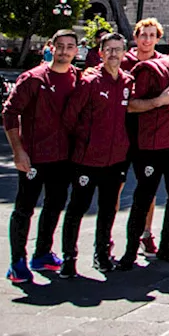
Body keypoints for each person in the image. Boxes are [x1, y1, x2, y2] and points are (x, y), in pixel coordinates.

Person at [118, 27, 169, 269]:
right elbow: (130, 105)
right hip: (152, 148)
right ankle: (130, 251)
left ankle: (167, 245)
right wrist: (157, 101)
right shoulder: (151, 70)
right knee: (143, 199)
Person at [3, 29, 79, 282]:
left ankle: (42, 253)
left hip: (63, 158)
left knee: (55, 206)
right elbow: (10, 113)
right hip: (34, 157)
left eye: (70, 46)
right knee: (24, 209)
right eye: (60, 46)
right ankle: (17, 262)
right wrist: (18, 151)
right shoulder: (33, 78)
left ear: (76, 51)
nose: (65, 51)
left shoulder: (78, 78)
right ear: (51, 47)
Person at [59, 32, 131, 277]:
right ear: (100, 53)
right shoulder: (89, 82)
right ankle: (69, 257)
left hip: (115, 160)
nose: (113, 54)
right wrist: (81, 144)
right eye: (109, 49)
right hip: (86, 160)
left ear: (124, 52)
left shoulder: (126, 82)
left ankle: (101, 254)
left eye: (118, 49)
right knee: (77, 209)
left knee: (108, 210)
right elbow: (70, 117)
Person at [121, 17, 168, 256]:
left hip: (149, 134)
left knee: (147, 187)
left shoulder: (164, 64)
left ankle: (146, 233)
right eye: (143, 35)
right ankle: (106, 236)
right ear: (136, 37)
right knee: (115, 186)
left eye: (152, 35)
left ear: (158, 39)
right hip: (120, 130)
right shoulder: (122, 60)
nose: (147, 39)